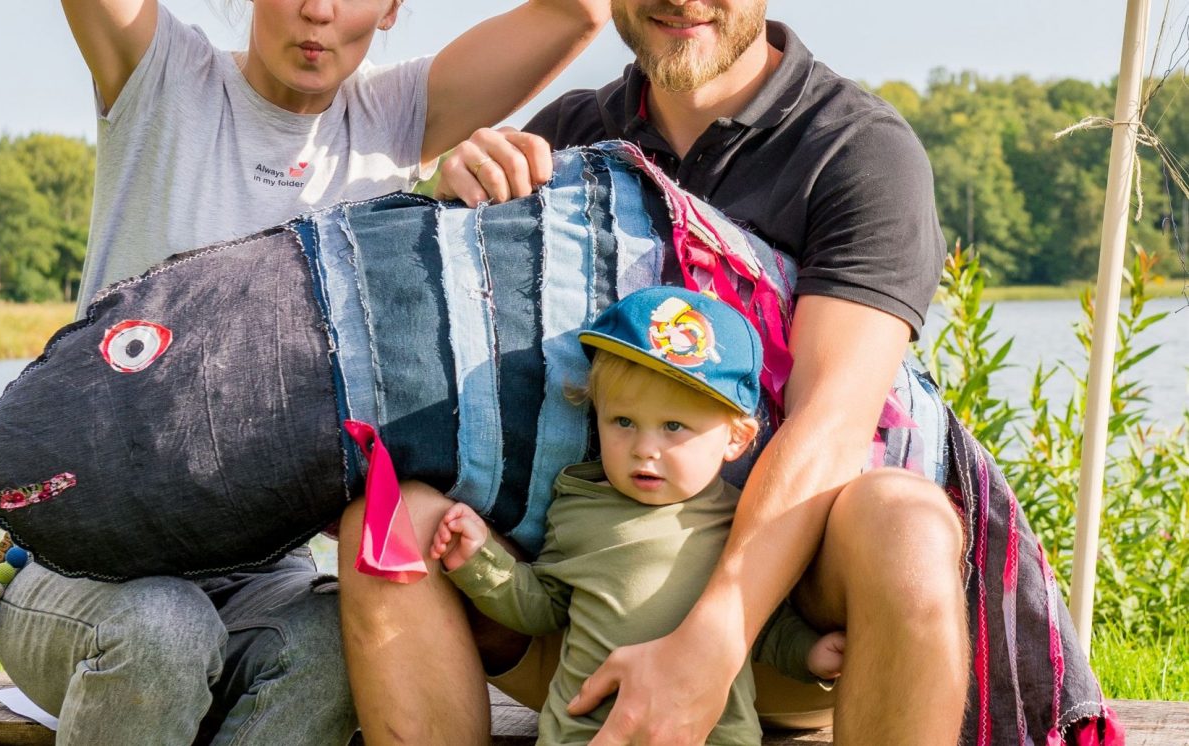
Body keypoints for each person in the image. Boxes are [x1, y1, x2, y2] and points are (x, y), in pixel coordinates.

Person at [350, 1, 1118, 745]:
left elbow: (832, 424)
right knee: (386, 518)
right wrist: (445, 200)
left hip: (785, 645)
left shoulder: (855, 148)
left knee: (907, 523)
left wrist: (709, 643)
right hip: (570, 626)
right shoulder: (568, 135)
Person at [0, 1, 609, 744]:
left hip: (260, 576)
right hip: (83, 566)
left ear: (390, 9)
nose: (318, 10)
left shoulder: (397, 116)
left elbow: (578, 11)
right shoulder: (159, 73)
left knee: (337, 650)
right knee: (163, 630)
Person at [429, 287, 847, 745]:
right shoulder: (577, 507)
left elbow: (758, 624)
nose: (645, 448)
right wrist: (480, 563)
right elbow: (545, 606)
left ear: (736, 439)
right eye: (623, 422)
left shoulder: (741, 521)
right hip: (585, 732)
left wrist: (808, 653)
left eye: (673, 426)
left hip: (711, 734)